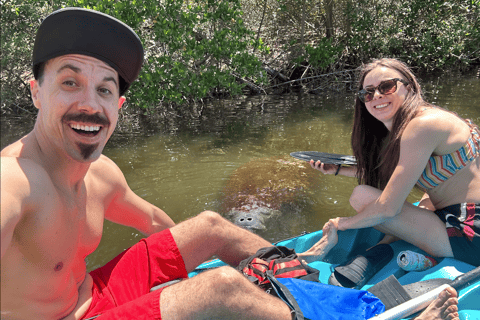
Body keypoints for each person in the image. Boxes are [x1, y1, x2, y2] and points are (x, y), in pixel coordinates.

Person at [0, 8, 459, 319]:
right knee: (220, 287)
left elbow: (159, 226)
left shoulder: (100, 173)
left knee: (210, 226)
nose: (89, 104)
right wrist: (204, 297)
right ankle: (364, 315)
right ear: (36, 91)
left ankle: (317, 295)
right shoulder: (12, 182)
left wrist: (183, 279)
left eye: (103, 90)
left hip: (94, 294)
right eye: (69, 81)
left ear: (118, 104)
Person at [300, 58, 480, 269]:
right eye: (368, 92)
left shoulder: (420, 127)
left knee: (362, 196)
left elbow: (388, 208)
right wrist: (338, 170)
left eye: (387, 86)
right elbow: (399, 172)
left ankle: (381, 250)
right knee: (410, 201)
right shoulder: (428, 117)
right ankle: (384, 247)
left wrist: (339, 224)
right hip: (461, 217)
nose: (376, 95)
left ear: (409, 87)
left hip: (470, 232)